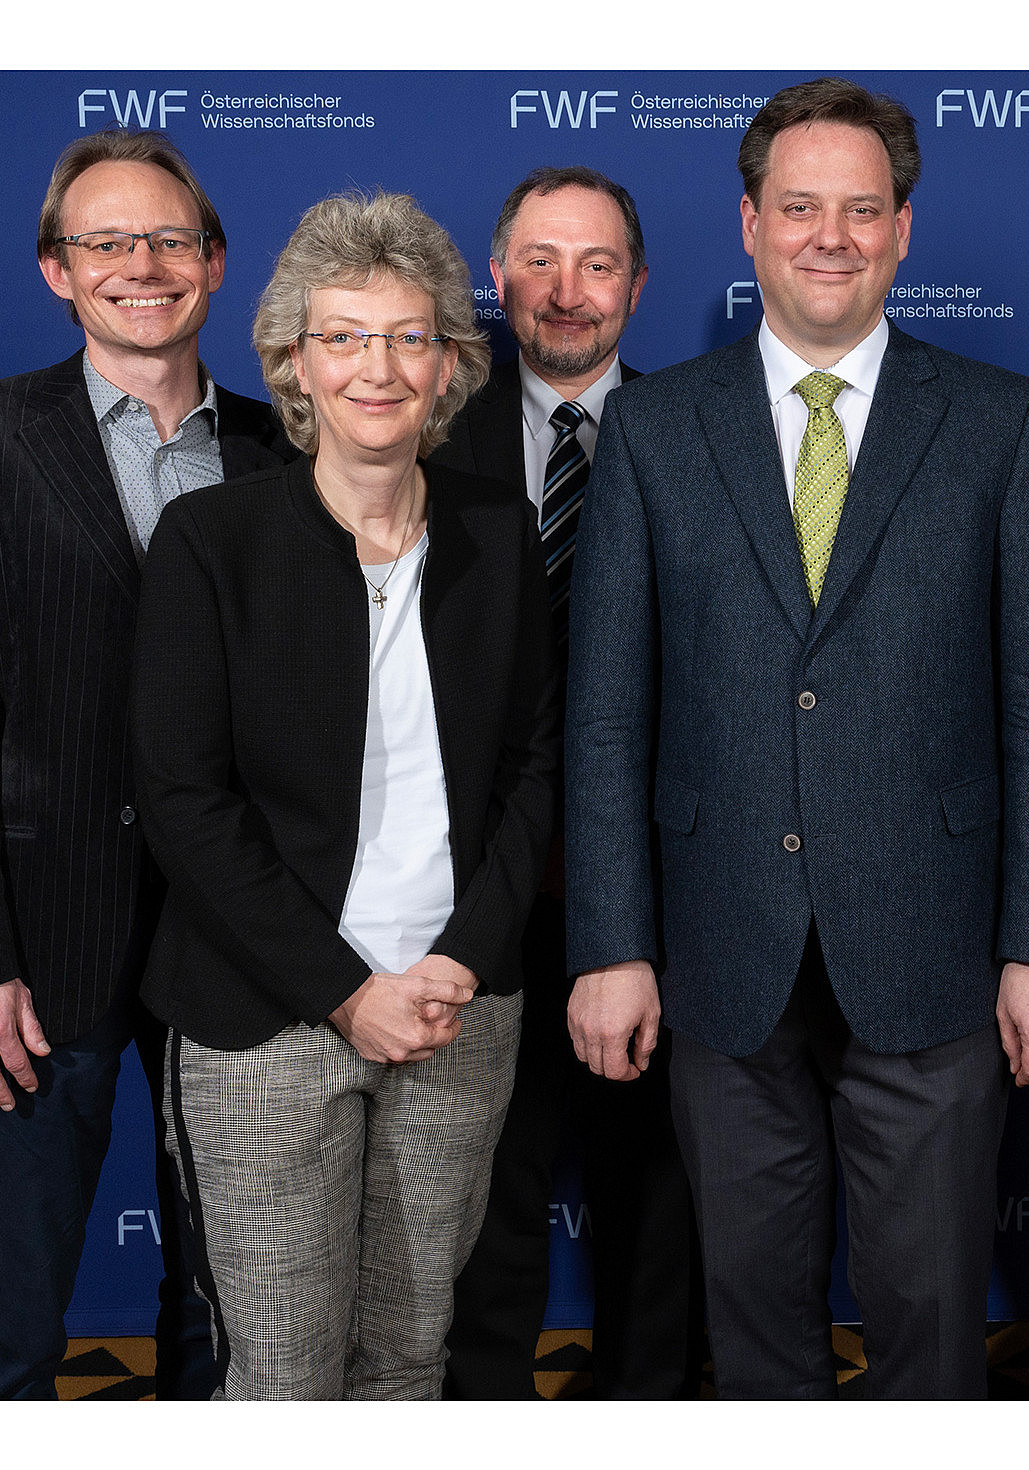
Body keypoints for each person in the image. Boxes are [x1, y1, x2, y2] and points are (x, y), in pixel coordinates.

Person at [563, 76, 1029, 1399]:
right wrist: (613, 945)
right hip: (720, 951)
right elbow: (609, 709)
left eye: (863, 210)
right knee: (753, 1325)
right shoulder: (652, 426)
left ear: (903, 230)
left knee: (930, 1326)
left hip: (934, 951)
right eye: (799, 206)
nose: (830, 236)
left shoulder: (998, 420)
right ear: (748, 223)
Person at [129, 189, 557, 1400]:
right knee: (282, 1371)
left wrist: (460, 961)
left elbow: (533, 764)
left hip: (455, 1010)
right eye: (344, 337)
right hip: (265, 1023)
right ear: (293, 366)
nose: (378, 366)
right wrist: (343, 992)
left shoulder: (497, 532)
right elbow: (181, 799)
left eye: (409, 337)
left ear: (448, 368)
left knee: (408, 1359)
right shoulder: (211, 542)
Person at [0, 129, 292, 1399]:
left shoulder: (288, 454)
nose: (142, 265)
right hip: (33, 944)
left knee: (224, 1306)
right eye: (106, 242)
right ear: (58, 271)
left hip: (233, 936)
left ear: (216, 264)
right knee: (7, 1320)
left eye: (170, 239)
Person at [434, 165, 705, 1400]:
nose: (566, 291)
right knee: (480, 1189)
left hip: (655, 887)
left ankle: (645, 1408)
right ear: (496, 279)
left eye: (597, 265)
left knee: (652, 1187)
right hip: (469, 889)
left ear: (639, 288)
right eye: (539, 260)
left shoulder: (704, 438)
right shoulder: (427, 438)